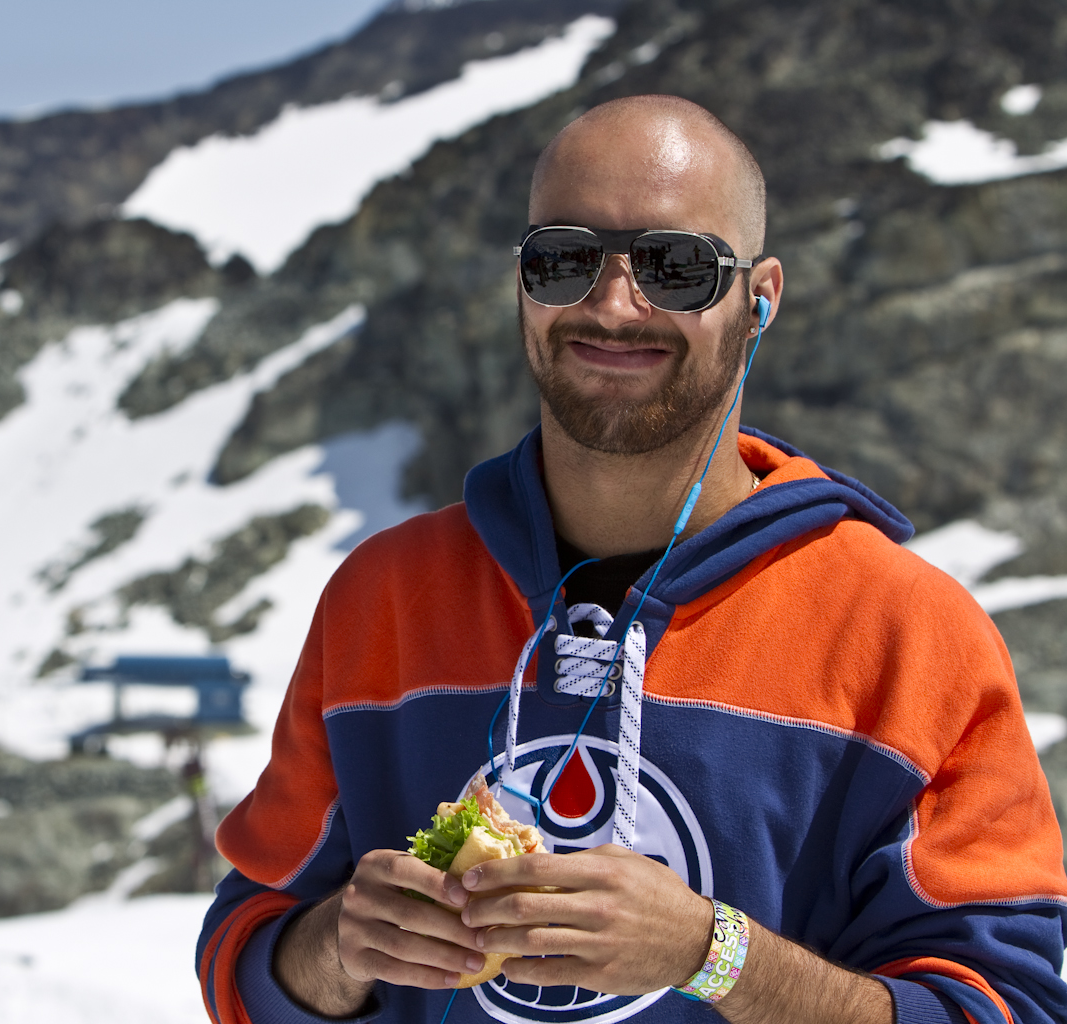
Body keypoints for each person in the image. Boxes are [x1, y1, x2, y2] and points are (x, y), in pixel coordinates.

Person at [196, 95, 1067, 1024]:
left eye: (676, 267)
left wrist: (712, 955)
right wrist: (340, 947)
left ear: (761, 298)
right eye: (564, 260)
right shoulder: (385, 596)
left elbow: (1004, 1005)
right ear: (523, 283)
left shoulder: (907, 632)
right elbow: (246, 953)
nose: (613, 307)